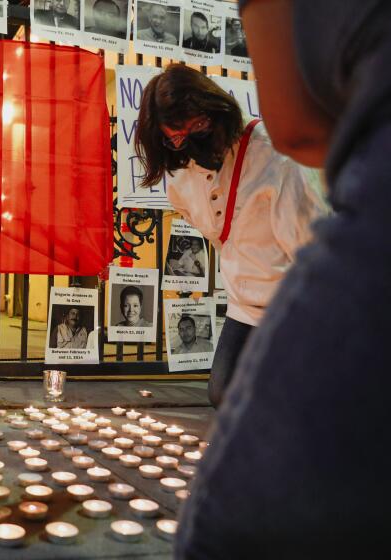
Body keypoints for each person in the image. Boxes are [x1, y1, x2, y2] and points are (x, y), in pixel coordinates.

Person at [175, 1, 391, 557]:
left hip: (280, 297)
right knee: (226, 389)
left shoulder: (281, 159)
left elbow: (226, 534)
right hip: (247, 303)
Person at [135, 64, 328, 406]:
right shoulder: (185, 171)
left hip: (294, 306)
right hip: (244, 306)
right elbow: (197, 215)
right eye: (174, 137)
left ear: (212, 112)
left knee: (289, 401)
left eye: (195, 127)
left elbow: (310, 247)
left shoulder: (273, 157)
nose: (186, 142)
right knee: (224, 393)